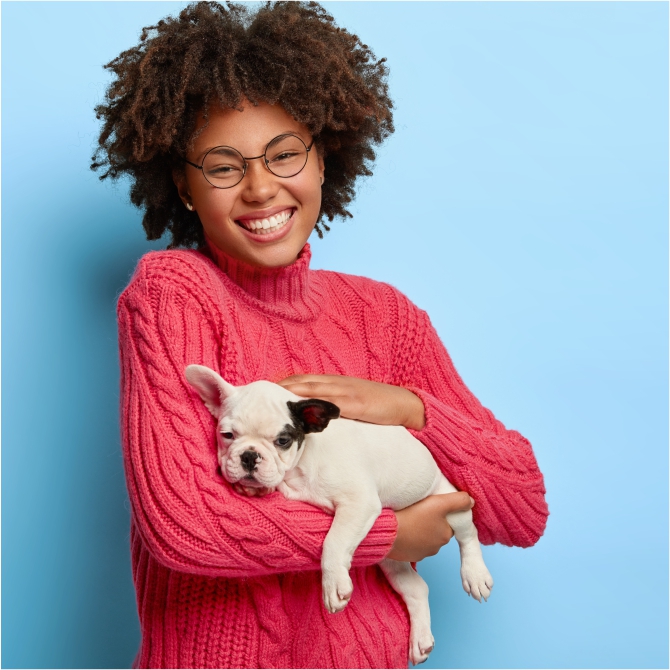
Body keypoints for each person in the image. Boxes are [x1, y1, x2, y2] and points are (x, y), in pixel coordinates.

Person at [92, 2, 549, 667]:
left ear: (325, 159)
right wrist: (391, 532)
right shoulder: (173, 294)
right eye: (222, 167)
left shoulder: (385, 316)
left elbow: (522, 507)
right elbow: (185, 524)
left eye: (284, 155)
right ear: (184, 188)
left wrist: (412, 410)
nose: (259, 187)